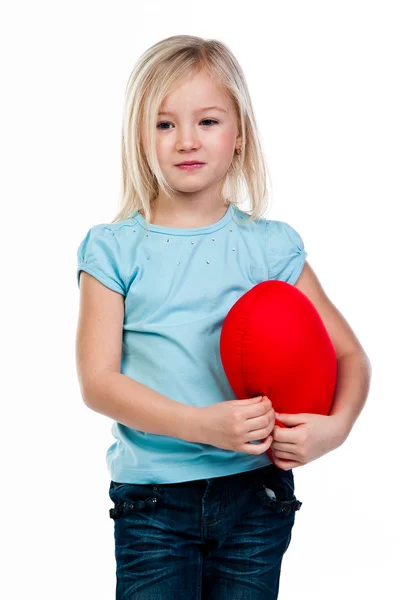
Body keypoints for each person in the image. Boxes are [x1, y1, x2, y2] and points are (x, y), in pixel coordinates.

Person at [75, 35, 371, 600]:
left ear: (240, 137)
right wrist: (201, 425)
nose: (186, 140)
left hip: (256, 497)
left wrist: (334, 429)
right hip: (154, 504)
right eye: (164, 125)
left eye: (207, 121)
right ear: (140, 138)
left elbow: (350, 355)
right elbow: (98, 382)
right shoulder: (112, 249)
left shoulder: (270, 247)